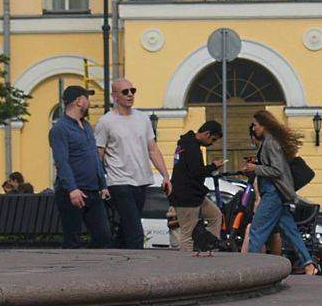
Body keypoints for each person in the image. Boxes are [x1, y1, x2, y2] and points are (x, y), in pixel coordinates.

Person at [95, 78, 171, 250]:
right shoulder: (105, 122)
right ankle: (137, 263)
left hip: (141, 181)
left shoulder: (142, 119)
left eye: (132, 90)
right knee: (135, 230)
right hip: (119, 182)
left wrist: (166, 176)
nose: (130, 94)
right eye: (125, 92)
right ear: (115, 95)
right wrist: (101, 184)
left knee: (126, 228)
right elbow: (98, 155)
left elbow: (153, 149)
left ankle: (113, 255)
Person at [244, 109, 318, 275]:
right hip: (276, 193)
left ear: (264, 125)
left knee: (256, 230)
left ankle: (252, 270)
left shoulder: (270, 143)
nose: (254, 128)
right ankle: (309, 264)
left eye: (255, 125)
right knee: (291, 231)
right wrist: (254, 168)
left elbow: (277, 170)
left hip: (273, 193)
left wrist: (256, 168)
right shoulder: (270, 142)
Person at [49, 85, 112, 249]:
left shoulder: (87, 127)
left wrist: (103, 185)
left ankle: (91, 263)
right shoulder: (60, 129)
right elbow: (62, 162)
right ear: (79, 101)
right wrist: (72, 189)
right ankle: (73, 264)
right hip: (72, 192)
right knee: (73, 241)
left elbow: (95, 158)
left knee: (104, 237)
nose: (89, 103)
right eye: (86, 99)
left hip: (93, 191)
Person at [170, 120, 224, 253]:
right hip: (187, 196)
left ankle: (210, 246)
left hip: (194, 194)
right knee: (187, 234)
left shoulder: (187, 144)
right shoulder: (191, 147)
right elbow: (196, 172)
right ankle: (186, 263)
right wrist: (213, 166)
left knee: (215, 215)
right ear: (207, 134)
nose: (212, 143)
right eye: (213, 139)